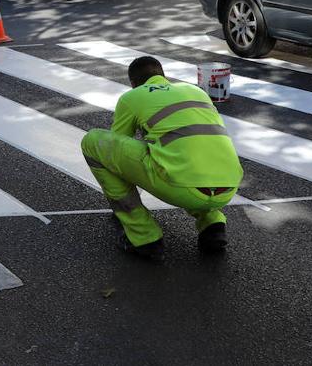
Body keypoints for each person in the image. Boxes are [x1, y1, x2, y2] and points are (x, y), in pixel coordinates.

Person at [81, 56, 244, 260]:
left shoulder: (132, 97)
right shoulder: (195, 91)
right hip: (228, 186)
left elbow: (116, 146)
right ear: (163, 76)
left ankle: (143, 235)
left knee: (93, 142)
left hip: (181, 185)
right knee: (188, 152)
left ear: (133, 84)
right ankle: (212, 223)